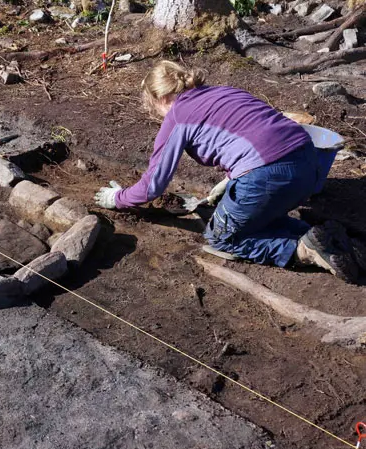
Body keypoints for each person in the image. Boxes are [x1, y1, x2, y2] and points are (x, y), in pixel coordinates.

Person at [94, 60, 359, 283]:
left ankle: (301, 250)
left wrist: (117, 198)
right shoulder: (225, 92)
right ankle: (328, 239)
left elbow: (154, 184)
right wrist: (232, 179)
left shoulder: (178, 115)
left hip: (268, 176)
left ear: (161, 97)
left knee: (221, 238)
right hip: (309, 164)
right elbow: (254, 132)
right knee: (257, 216)